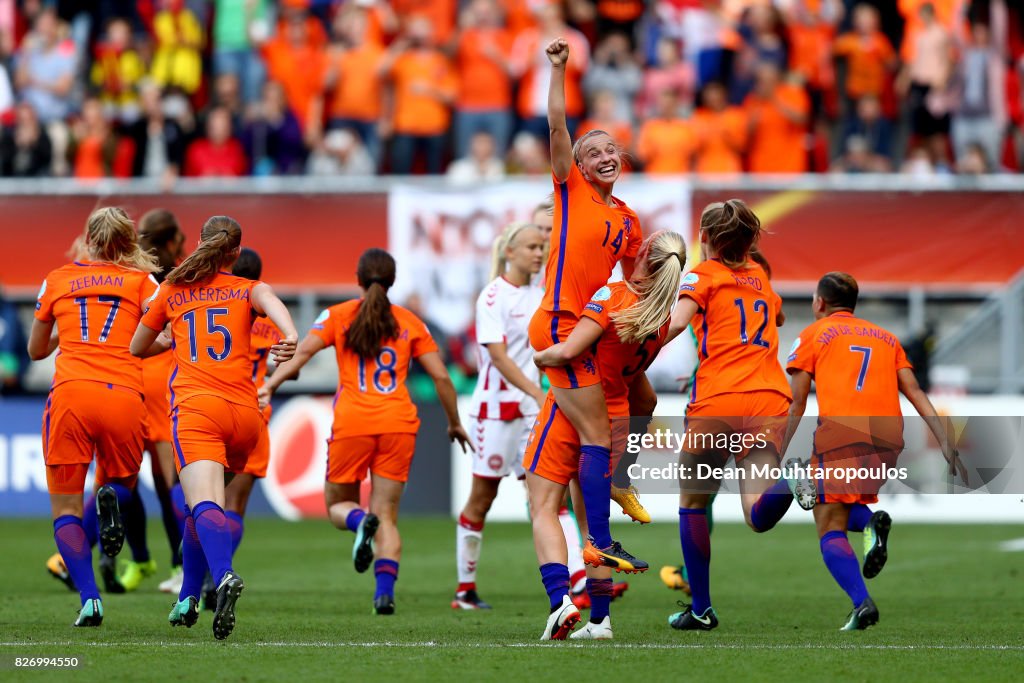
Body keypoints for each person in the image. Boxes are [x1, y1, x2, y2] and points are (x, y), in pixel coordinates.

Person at [259, 248, 472, 615]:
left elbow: (302, 354)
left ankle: (359, 522)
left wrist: (271, 385)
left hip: (353, 423)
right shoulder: (411, 322)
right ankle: (384, 593)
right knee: (387, 514)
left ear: (358, 280)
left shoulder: (338, 316)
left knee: (337, 506)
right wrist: (454, 421)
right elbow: (440, 376)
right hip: (398, 424)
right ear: (392, 281)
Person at [130, 216, 298, 640]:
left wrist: (167, 341)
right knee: (198, 507)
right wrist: (290, 334)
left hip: (198, 411)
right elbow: (272, 299)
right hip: (246, 417)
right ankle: (187, 597)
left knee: (204, 502)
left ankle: (222, 575)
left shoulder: (172, 290)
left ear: (200, 244)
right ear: (236, 254)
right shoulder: (246, 289)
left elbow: (136, 346)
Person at [782, 271, 967, 630]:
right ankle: (869, 524)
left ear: (819, 302)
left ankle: (861, 602)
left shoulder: (812, 334)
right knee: (834, 505)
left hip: (841, 436)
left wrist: (777, 448)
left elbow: (797, 402)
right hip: (887, 440)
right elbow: (914, 390)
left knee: (828, 524)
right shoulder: (887, 338)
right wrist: (945, 439)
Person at [526, 38, 647, 581]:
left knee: (633, 402)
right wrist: (558, 69)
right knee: (597, 439)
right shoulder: (570, 189)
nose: (604, 155)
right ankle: (598, 541)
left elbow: (634, 284)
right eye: (593, 150)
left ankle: (595, 572)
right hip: (559, 321)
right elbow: (556, 125)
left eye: (610, 150)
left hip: (589, 331)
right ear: (576, 164)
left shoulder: (627, 219)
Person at [529, 230, 687, 640]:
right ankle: (600, 621)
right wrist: (625, 467)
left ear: (643, 259)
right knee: (594, 529)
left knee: (544, 505)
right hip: (615, 419)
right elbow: (645, 398)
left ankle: (559, 602)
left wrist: (540, 355)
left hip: (574, 408)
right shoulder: (661, 317)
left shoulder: (614, 296)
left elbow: (567, 352)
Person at [664, 199, 808, 631]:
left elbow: (673, 326)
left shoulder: (703, 275)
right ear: (751, 240)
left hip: (718, 401)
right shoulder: (760, 275)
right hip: (768, 400)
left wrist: (631, 338)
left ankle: (702, 609)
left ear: (704, 238)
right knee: (756, 514)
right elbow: (778, 316)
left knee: (692, 502)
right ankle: (802, 479)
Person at [28, 207, 161, 627]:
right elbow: (169, 338)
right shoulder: (143, 282)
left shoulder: (57, 279)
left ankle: (89, 599)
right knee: (121, 484)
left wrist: (67, 332)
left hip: (70, 397)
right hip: (123, 395)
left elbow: (35, 350)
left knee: (65, 511)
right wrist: (132, 346)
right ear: (127, 242)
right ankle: (110, 503)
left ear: (88, 238)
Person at [453, 222, 545, 610]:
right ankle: (465, 590)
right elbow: (499, 357)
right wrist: (537, 392)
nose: (539, 253)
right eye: (531, 247)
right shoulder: (493, 296)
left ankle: (576, 583)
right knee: (482, 498)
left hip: (531, 411)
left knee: (546, 495)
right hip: (496, 413)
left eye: (542, 247)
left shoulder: (541, 295)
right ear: (510, 252)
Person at [136, 209, 188, 595]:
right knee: (174, 481)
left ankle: (175, 563)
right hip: (168, 377)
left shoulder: (135, 277)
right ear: (171, 242)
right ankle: (185, 566)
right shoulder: (181, 276)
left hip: (137, 376)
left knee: (153, 479)